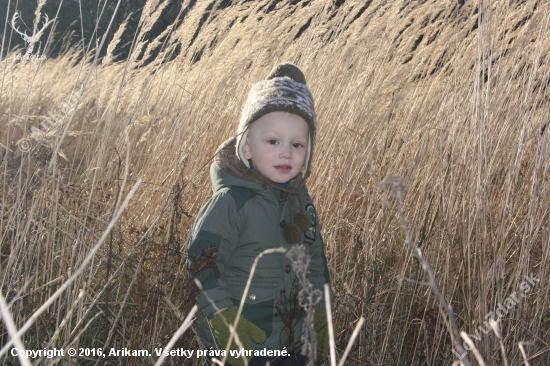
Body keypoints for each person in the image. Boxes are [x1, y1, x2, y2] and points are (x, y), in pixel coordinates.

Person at [187, 63, 333, 366]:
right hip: (242, 346)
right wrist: (223, 318)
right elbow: (203, 262)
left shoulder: (300, 203)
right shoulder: (232, 202)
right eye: (273, 141)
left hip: (292, 344)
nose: (286, 153)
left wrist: (321, 315)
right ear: (247, 147)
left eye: (297, 144)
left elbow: (315, 261)